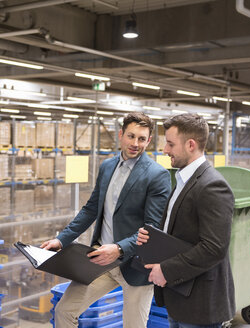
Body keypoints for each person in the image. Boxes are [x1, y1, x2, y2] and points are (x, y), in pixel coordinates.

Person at [41, 112, 171, 328]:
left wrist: (119, 249)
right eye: (131, 136)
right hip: (101, 261)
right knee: (64, 310)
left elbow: (152, 228)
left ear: (149, 141)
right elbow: (91, 209)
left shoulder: (156, 175)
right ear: (121, 135)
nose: (135, 144)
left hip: (136, 266)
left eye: (141, 139)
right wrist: (62, 240)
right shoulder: (107, 167)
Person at [137, 113, 235, 328]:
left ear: (190, 145)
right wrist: (153, 238)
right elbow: (181, 232)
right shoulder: (183, 178)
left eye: (171, 144)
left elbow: (214, 248)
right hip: (180, 295)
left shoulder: (212, 186)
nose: (165, 150)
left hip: (199, 303)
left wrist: (166, 270)